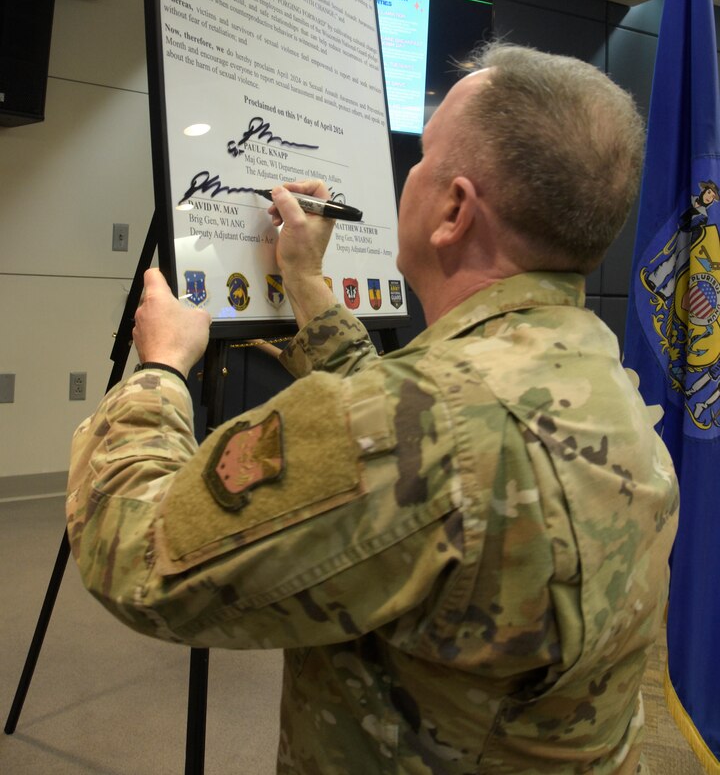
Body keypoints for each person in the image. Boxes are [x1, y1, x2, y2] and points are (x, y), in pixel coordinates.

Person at [66, 42, 679, 775]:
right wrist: (305, 281)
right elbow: (412, 442)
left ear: (454, 209)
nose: (408, 176)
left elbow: (134, 552)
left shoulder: (427, 423)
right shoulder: (591, 367)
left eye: (421, 159)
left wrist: (161, 369)